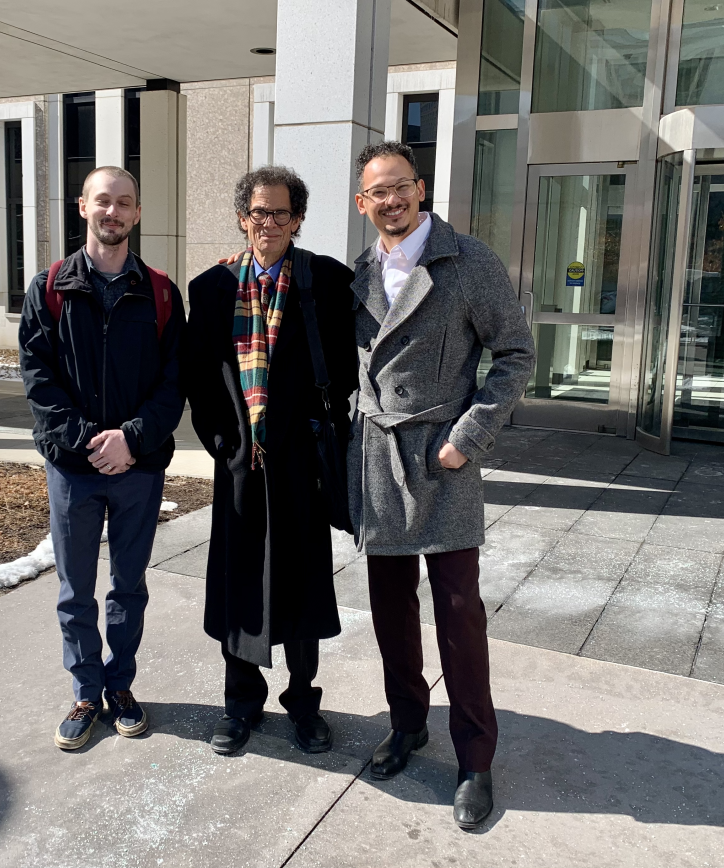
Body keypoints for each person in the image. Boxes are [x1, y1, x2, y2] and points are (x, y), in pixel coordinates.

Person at [349, 141, 535, 829]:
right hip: (379, 460)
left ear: (420, 190)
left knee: (460, 615)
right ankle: (406, 725)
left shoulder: (467, 260)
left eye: (401, 187)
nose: (390, 201)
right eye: (377, 192)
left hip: (442, 457)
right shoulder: (360, 272)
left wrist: (468, 437)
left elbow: (516, 353)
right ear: (362, 203)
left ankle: (475, 760)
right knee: (391, 611)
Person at [184, 166, 358, 755]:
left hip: (301, 468)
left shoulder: (327, 281)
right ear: (243, 217)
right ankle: (240, 704)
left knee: (304, 588)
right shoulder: (210, 288)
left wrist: (317, 440)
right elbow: (201, 378)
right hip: (240, 467)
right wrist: (225, 445)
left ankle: (303, 703)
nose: (270, 223)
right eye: (260, 212)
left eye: (282, 213)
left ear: (298, 219)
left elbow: (343, 369)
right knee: (239, 586)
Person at [19, 166, 185, 751]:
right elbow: (39, 383)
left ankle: (121, 686)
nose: (112, 212)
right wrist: (93, 439)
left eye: (124, 203)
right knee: (75, 588)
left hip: (138, 469)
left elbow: (173, 384)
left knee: (128, 585)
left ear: (137, 213)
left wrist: (132, 440)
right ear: (82, 207)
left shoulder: (162, 292)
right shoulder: (49, 288)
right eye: (102, 201)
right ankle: (86, 690)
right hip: (73, 469)